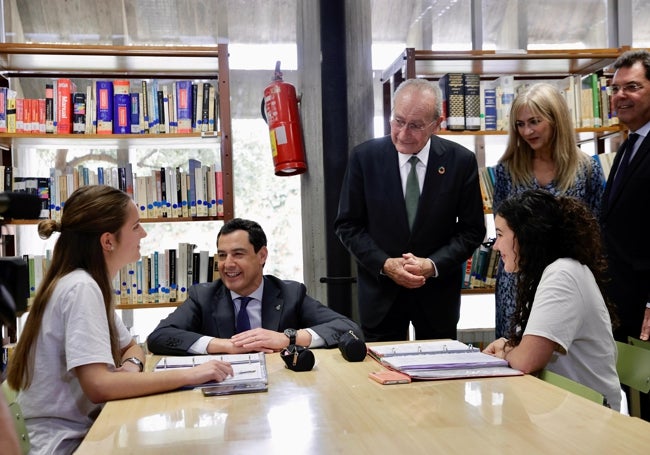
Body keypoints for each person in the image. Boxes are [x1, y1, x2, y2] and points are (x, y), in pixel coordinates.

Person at [6, 185, 233, 454]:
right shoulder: (82, 288)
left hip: (84, 434)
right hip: (64, 445)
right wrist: (193, 373)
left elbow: (133, 348)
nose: (144, 234)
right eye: (136, 226)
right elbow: (99, 386)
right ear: (108, 241)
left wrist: (131, 366)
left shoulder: (86, 284)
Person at [334, 78, 486, 342]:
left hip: (437, 296)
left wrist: (433, 264)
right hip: (381, 293)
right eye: (398, 121)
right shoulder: (364, 158)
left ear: (436, 124)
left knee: (440, 379)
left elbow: (472, 230)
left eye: (415, 125)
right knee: (381, 377)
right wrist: (385, 264)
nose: (403, 133)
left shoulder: (460, 161)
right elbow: (347, 225)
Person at [483, 189, 620, 411]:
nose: (496, 246)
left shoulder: (562, 274)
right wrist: (511, 346)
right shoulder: (549, 272)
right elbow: (530, 348)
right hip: (564, 405)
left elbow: (527, 360)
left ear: (526, 235)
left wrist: (507, 351)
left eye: (500, 235)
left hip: (588, 413)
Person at [147, 218, 362, 355]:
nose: (228, 264)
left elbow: (349, 329)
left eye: (238, 254)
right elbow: (159, 337)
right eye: (222, 256)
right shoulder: (203, 296)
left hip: (282, 389)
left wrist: (288, 338)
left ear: (262, 256)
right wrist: (226, 346)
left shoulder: (290, 293)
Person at [492, 82, 605, 338]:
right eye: (520, 124)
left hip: (566, 281)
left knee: (559, 356)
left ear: (556, 120)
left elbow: (596, 231)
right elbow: (501, 229)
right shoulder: (507, 170)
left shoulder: (587, 169)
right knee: (513, 355)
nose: (527, 131)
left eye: (535, 121)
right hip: (516, 281)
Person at [600, 49, 650, 343]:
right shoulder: (629, 145)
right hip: (621, 301)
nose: (620, 95)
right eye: (615, 88)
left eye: (632, 87)